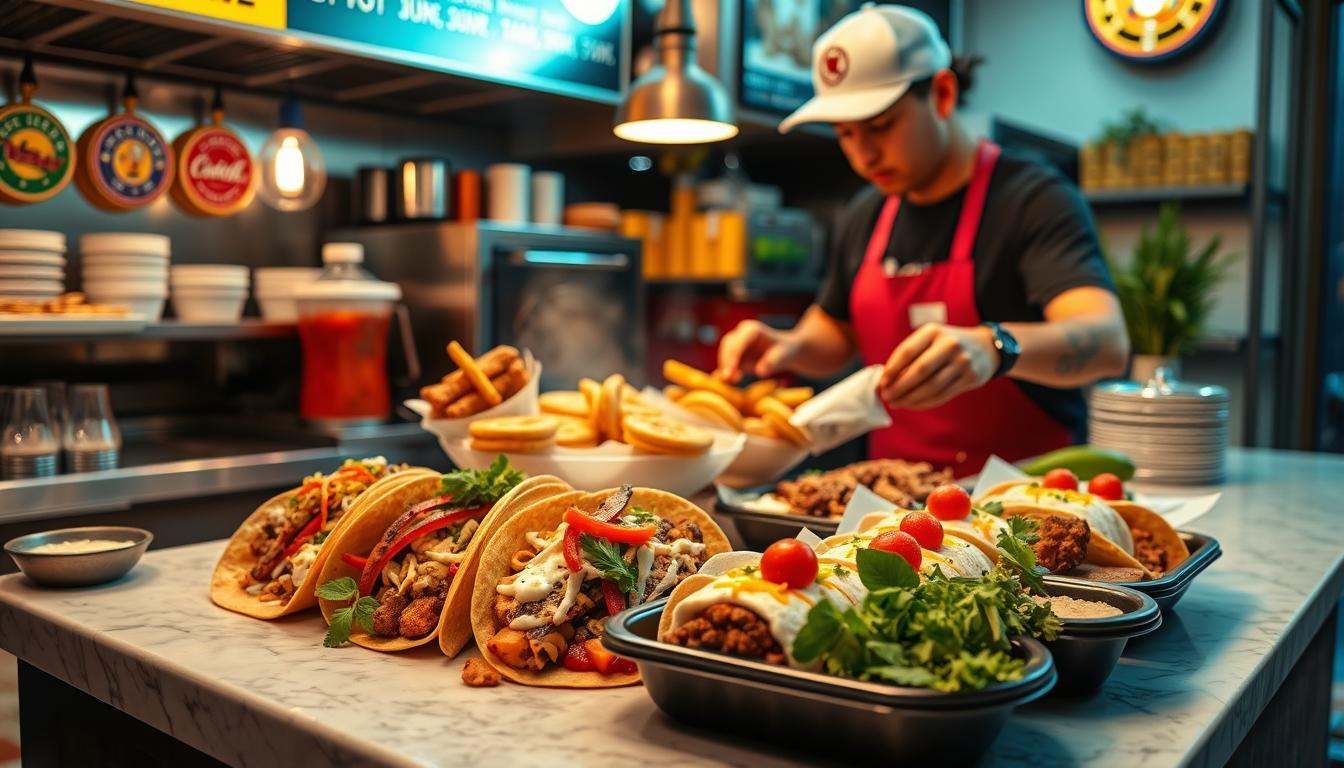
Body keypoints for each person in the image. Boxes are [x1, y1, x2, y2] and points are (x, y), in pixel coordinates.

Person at [717, 4, 1129, 475]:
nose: (864, 153)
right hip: (893, 505)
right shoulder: (867, 212)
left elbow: (1106, 341)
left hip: (1021, 503)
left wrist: (994, 347)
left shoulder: (1033, 198)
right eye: (846, 134)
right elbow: (833, 331)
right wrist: (785, 345)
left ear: (943, 92)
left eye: (880, 126)